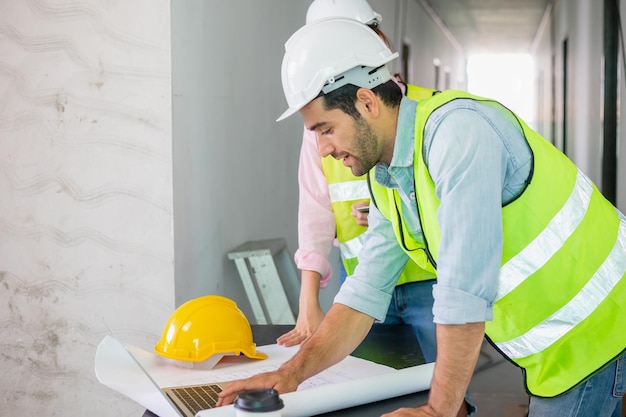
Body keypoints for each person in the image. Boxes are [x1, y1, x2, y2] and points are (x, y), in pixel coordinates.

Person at [218, 18, 626, 417]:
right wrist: (290, 375)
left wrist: (439, 409)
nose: (323, 150)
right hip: (556, 343)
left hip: (598, 328)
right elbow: (364, 291)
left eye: (326, 129)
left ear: (366, 101)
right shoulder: (389, 177)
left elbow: (463, 290)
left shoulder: (457, 133)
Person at [278, 0, 440, 373]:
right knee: (372, 385)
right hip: (363, 279)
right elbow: (315, 208)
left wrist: (397, 214)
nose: (326, 144)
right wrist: (309, 298)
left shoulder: (426, 111)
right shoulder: (320, 130)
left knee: (443, 387)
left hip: (427, 280)